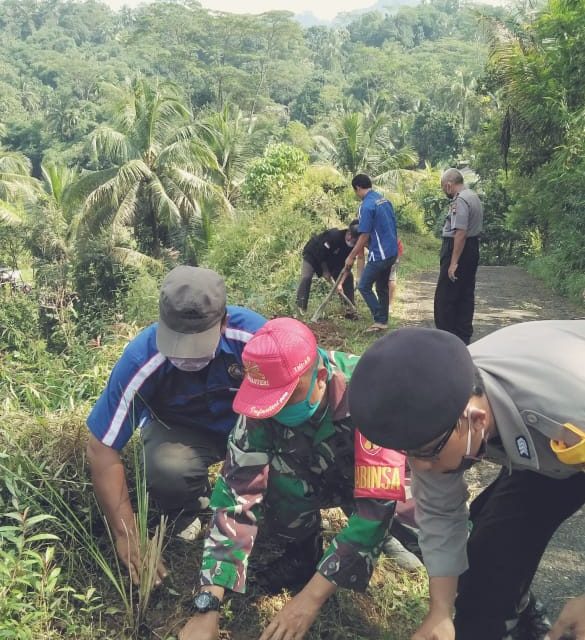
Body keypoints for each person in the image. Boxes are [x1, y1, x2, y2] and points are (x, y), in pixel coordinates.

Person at [348, 321, 585, 640]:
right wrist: (440, 611)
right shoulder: (436, 413)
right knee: (485, 564)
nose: (421, 466)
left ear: (477, 420)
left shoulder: (570, 400)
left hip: (567, 420)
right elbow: (440, 515)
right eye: (409, 453)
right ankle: (516, 620)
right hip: (546, 456)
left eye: (426, 452)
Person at [179, 318, 409, 640]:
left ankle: (460, 586)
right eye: (271, 399)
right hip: (310, 474)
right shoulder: (262, 401)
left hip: (371, 480)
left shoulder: (369, 391)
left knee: (409, 509)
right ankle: (303, 555)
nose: (277, 408)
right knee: (274, 480)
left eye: (288, 396)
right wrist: (208, 604)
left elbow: (376, 505)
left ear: (321, 378)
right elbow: (236, 495)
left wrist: (309, 600)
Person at [86, 266, 265, 585]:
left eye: (197, 346)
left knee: (284, 470)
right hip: (181, 432)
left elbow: (305, 390)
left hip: (251, 426)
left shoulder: (256, 339)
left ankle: (267, 509)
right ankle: (189, 506)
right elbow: (101, 448)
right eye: (176, 345)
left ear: (223, 323)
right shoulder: (142, 358)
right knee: (167, 468)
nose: (186, 357)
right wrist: (127, 533)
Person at [434, 168, 483, 345]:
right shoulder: (473, 196)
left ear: (448, 185)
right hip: (472, 248)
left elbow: (460, 233)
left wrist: (453, 262)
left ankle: (446, 339)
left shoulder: (460, 200)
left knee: (445, 297)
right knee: (465, 294)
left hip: (459, 248)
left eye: (443, 188)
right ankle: (463, 337)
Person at [345, 174, 398, 332]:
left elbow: (364, 235)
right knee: (381, 287)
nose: (357, 194)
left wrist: (350, 256)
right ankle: (383, 322)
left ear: (358, 188)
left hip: (380, 254)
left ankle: (378, 318)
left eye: (356, 191)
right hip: (392, 251)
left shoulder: (366, 206)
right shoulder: (384, 200)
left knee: (363, 285)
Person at [296, 221, 359, 317]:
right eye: (354, 240)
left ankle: (349, 310)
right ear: (349, 234)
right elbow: (321, 254)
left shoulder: (355, 245)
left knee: (348, 277)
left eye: (356, 242)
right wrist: (325, 271)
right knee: (306, 277)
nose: (353, 243)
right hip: (313, 255)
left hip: (334, 261)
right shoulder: (334, 236)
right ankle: (301, 308)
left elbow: (348, 266)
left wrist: (340, 284)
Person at [388, 238, 404, 315]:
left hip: (392, 248)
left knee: (391, 278)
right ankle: (388, 305)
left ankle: (389, 305)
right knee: (391, 278)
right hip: (395, 247)